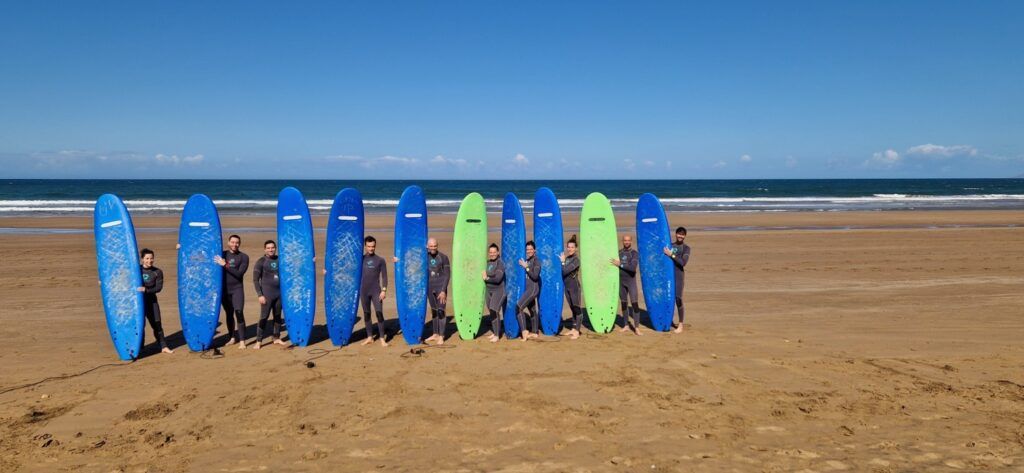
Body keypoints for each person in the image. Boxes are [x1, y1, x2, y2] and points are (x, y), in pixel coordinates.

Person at [214, 234, 249, 349]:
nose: (235, 244)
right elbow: (201, 256)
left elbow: (239, 274)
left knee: (239, 313)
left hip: (237, 289)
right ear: (228, 243)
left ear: (239, 243)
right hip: (224, 290)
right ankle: (232, 337)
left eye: (237, 242)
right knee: (229, 314)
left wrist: (225, 265)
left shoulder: (244, 257)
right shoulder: (222, 254)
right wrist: (182, 247)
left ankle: (242, 341)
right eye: (232, 242)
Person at [252, 240, 286, 349]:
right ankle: (259, 341)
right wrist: (260, 295)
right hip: (267, 294)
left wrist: (311, 260)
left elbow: (294, 265)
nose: (270, 250)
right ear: (264, 249)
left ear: (275, 248)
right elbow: (255, 280)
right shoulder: (261, 261)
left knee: (277, 316)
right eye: (268, 248)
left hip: (279, 294)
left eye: (272, 247)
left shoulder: (280, 259)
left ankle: (276, 337)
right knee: (264, 317)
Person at [138, 248, 172, 354]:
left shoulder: (157, 272)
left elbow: (158, 288)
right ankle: (139, 347)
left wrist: (146, 290)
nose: (149, 261)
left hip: (151, 302)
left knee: (157, 324)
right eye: (147, 258)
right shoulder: (136, 270)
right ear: (142, 259)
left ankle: (163, 347)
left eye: (151, 258)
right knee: (139, 325)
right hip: (138, 304)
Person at [360, 236, 389, 347]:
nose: (371, 248)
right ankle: (370, 337)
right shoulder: (361, 259)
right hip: (364, 291)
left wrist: (384, 290)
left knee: (379, 314)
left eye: (373, 246)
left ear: (375, 246)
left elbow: (385, 277)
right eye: (369, 246)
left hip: (376, 291)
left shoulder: (380, 260)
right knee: (367, 314)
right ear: (365, 246)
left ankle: (382, 338)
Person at [612, 234, 642, 335]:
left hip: (631, 282)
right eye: (625, 240)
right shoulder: (619, 253)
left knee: (634, 304)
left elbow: (632, 268)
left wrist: (620, 264)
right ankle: (626, 325)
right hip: (621, 282)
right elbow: (612, 264)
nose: (626, 242)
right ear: (622, 241)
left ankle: (637, 327)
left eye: (628, 240)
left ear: (631, 241)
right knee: (624, 303)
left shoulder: (634, 253)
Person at [663, 226, 691, 333]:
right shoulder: (670, 245)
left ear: (685, 236)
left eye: (682, 234)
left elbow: (683, 262)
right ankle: (668, 320)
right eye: (679, 234)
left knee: (678, 299)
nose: (680, 236)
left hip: (678, 276)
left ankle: (680, 324)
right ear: (676, 234)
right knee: (668, 298)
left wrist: (671, 255)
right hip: (668, 276)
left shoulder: (686, 248)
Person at [425, 238, 450, 344]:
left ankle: (441, 336)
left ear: (437, 245)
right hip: (430, 288)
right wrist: (397, 260)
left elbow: (447, 275)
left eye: (435, 246)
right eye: (431, 246)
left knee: (441, 311)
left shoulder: (443, 257)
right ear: (427, 246)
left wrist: (443, 290)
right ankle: (435, 334)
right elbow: (411, 261)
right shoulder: (424, 257)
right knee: (434, 311)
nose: (433, 248)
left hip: (440, 288)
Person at [515, 241, 541, 341]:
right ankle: (535, 332)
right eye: (527, 249)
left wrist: (526, 267)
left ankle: (524, 331)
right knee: (532, 310)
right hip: (528, 289)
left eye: (530, 249)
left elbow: (535, 276)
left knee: (518, 307)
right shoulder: (528, 260)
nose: (529, 251)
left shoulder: (536, 261)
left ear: (534, 250)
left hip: (533, 289)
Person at [559, 236, 583, 340]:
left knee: (577, 309)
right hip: (567, 287)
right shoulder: (568, 258)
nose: (570, 249)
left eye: (572, 247)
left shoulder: (576, 260)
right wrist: (563, 261)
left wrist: (563, 262)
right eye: (568, 247)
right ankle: (573, 328)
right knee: (572, 308)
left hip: (574, 287)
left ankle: (577, 331)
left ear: (576, 248)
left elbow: (565, 271)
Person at [482, 243, 505, 343]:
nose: (492, 254)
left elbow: (498, 278)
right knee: (491, 312)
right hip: (489, 290)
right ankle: (494, 332)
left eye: (494, 252)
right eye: (490, 252)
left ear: (498, 252)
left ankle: (497, 335)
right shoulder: (487, 263)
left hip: (499, 290)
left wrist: (487, 278)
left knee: (494, 310)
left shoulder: (500, 263)